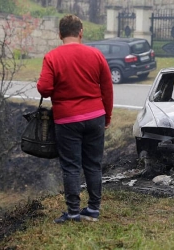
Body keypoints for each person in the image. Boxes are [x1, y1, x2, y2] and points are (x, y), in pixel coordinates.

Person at [37, 14, 113, 223]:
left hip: (67, 119)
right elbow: (107, 89)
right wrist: (107, 116)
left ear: (60, 34)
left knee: (71, 166)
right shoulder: (96, 55)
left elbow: (44, 89)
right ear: (81, 32)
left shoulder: (52, 57)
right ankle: (93, 210)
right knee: (93, 164)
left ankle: (73, 212)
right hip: (96, 116)